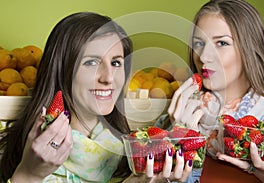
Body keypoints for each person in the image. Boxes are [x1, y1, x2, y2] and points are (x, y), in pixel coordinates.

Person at [0, 12, 192, 182]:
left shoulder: (127, 151)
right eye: (91, 62)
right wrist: (28, 174)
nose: (108, 78)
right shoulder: (25, 150)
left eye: (116, 63)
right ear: (61, 70)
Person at [156, 0, 264, 183]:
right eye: (198, 43)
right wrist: (178, 140)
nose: (204, 56)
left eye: (221, 43)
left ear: (250, 50)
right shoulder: (168, 124)